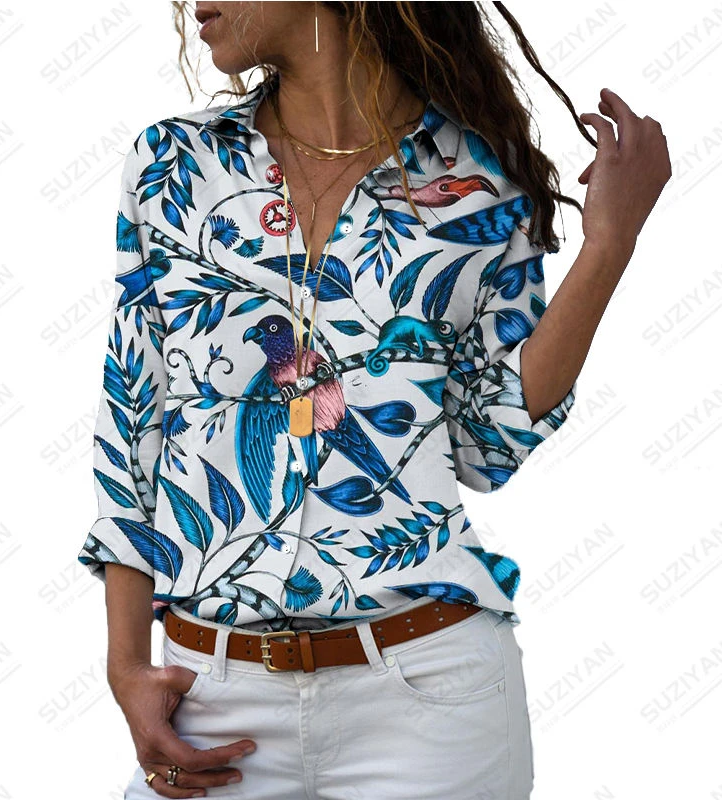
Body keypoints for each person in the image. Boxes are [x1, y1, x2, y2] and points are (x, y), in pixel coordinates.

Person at [76, 2, 671, 798]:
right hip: (212, 700)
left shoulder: (477, 179)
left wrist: (608, 247)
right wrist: (125, 666)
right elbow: (133, 417)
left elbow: (486, 448)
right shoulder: (175, 166)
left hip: (428, 701)